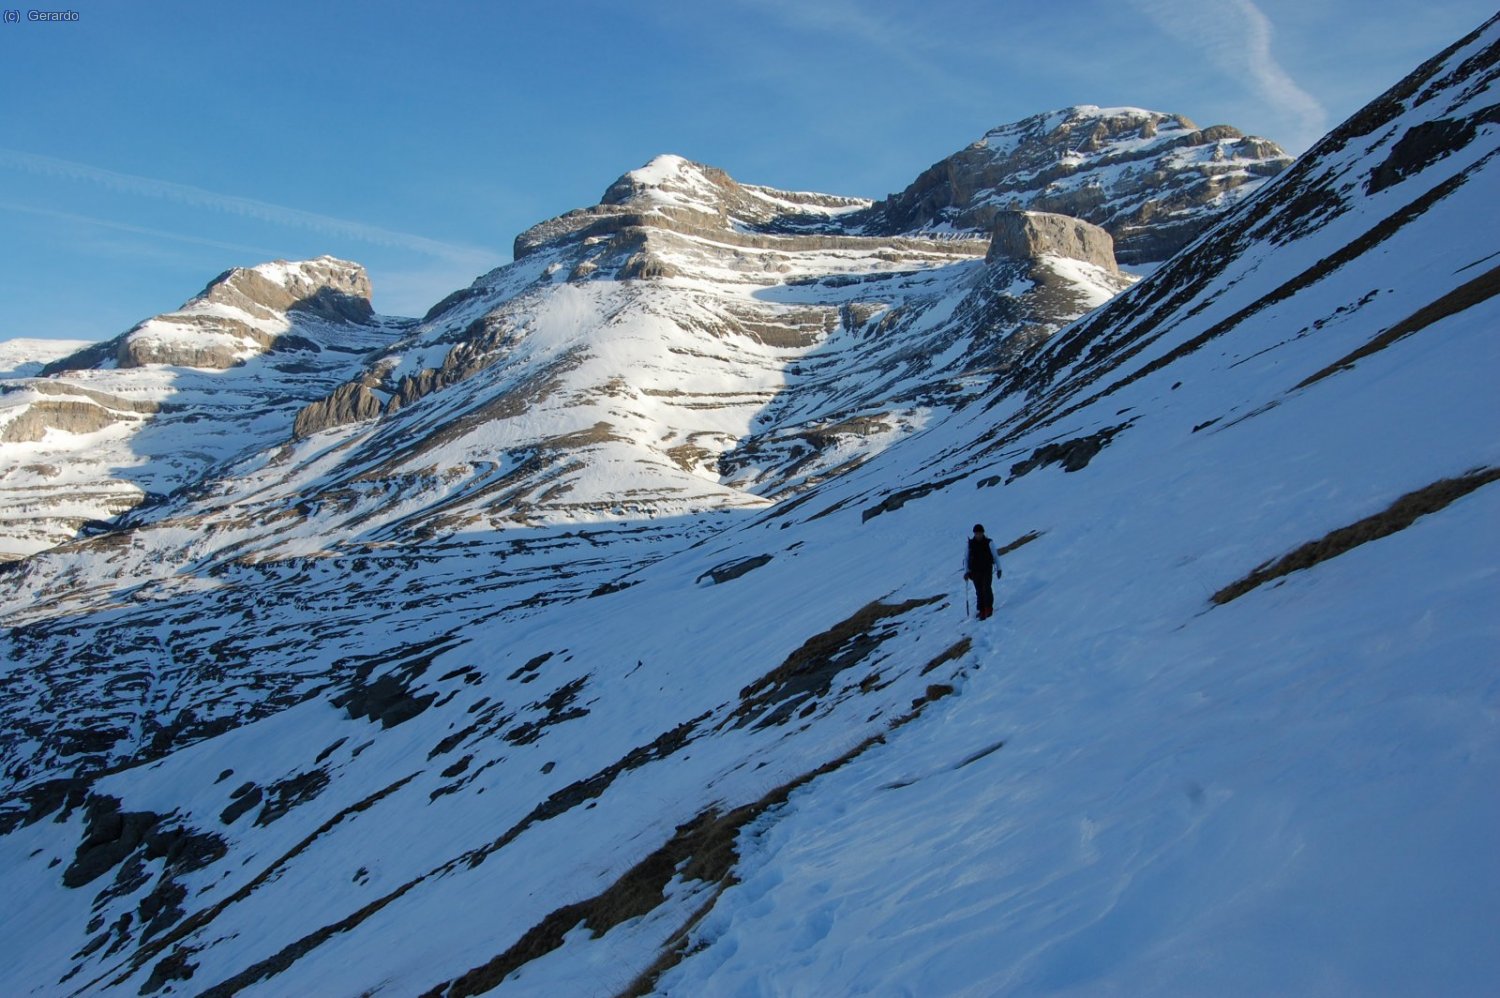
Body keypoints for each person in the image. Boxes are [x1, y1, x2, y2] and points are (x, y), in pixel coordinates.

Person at [964, 524, 1001, 619]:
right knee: (979, 590)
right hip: (975, 571)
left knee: (986, 588)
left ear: (983, 533)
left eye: (980, 533)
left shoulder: (989, 542)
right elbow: (966, 558)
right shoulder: (970, 544)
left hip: (986, 569)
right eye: (976, 533)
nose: (978, 535)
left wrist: (999, 568)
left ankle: (988, 608)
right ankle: (981, 610)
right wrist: (966, 572)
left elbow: (995, 556)